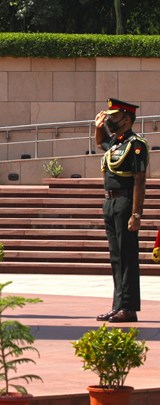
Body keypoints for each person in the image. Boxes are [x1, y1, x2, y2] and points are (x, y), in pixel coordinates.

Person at [94, 98, 148, 323]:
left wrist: (136, 214)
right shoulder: (117, 142)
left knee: (127, 257)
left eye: (114, 117)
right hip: (110, 203)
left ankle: (129, 307)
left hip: (125, 202)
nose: (110, 120)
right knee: (116, 257)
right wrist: (99, 128)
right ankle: (117, 305)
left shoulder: (135, 145)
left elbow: (140, 180)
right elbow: (101, 143)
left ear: (127, 118)